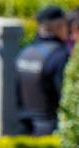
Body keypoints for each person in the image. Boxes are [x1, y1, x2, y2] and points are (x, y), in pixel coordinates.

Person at [16, 5, 69, 136]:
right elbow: (64, 95)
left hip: (25, 127)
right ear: (59, 26)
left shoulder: (25, 53)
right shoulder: (59, 55)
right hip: (51, 129)